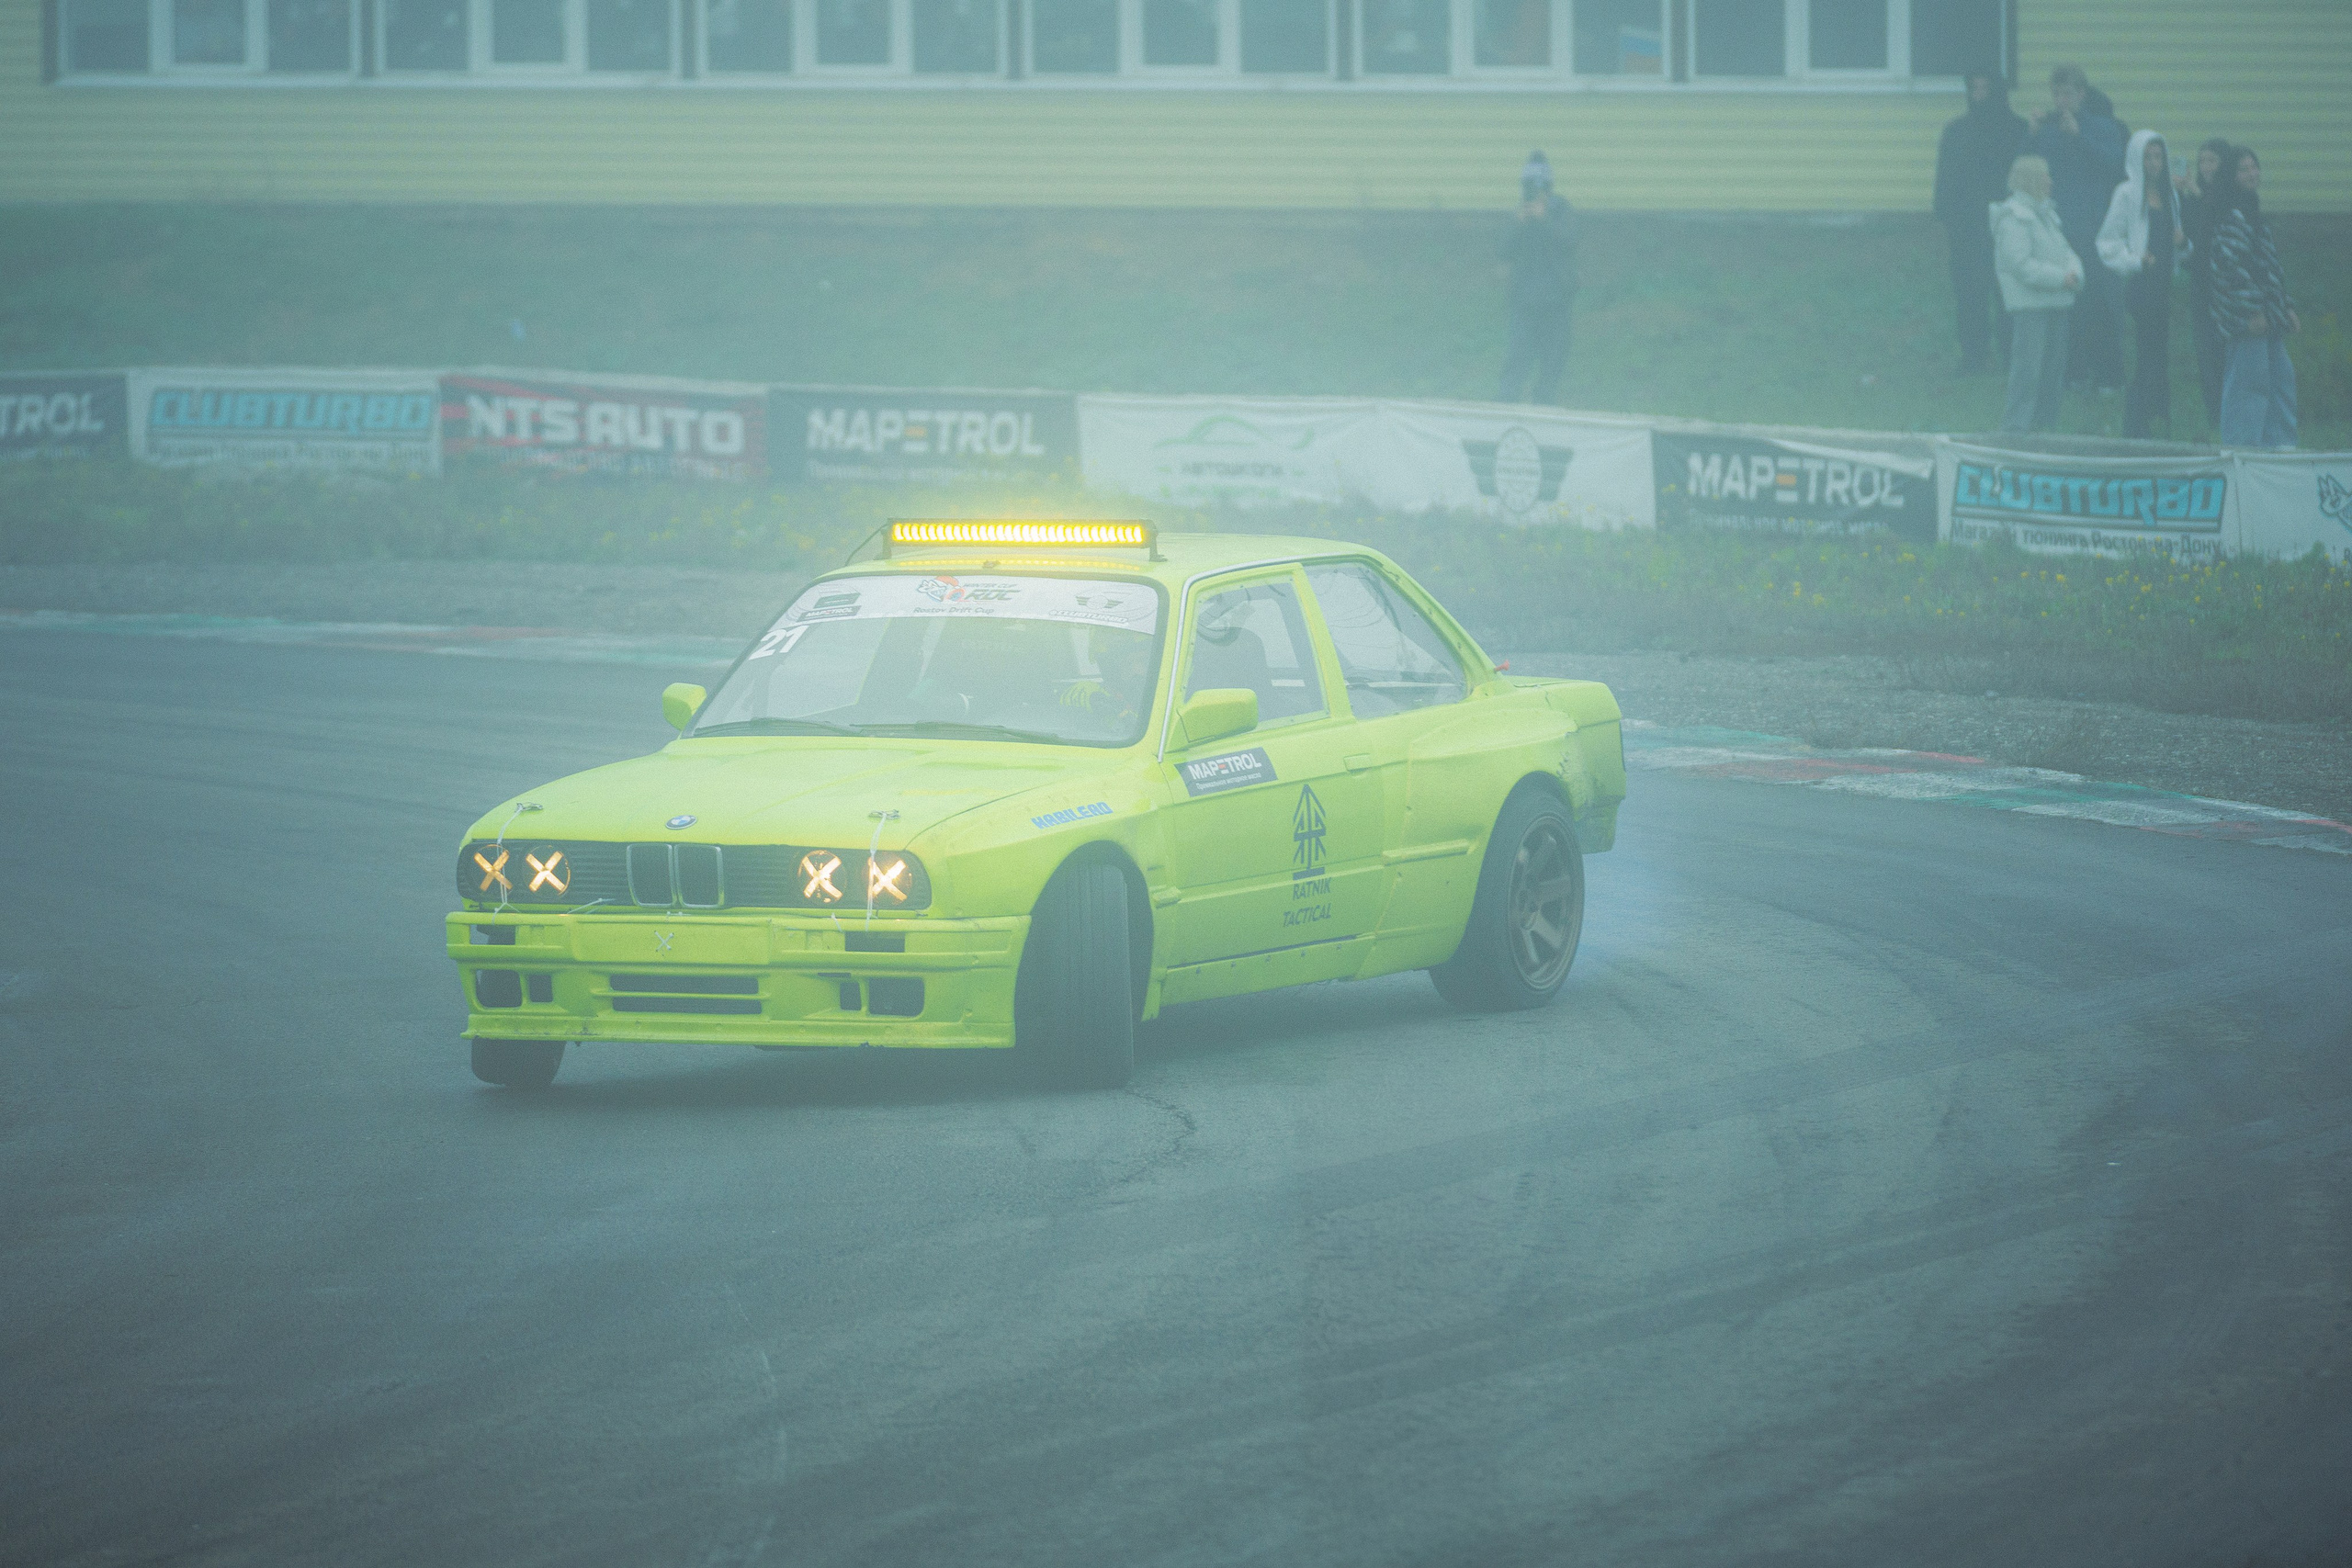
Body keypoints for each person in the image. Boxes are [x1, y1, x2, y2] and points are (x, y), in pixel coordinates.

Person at [2028, 64, 2126, 392]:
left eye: (2068, 93)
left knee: (2102, 301)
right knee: (2069, 302)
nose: (2061, 100)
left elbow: (2114, 168)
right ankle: (2074, 373)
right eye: (2056, 94)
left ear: (2082, 94)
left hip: (2096, 227)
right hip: (2061, 227)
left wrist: (2079, 138)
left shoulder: (2104, 127)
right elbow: (2025, 171)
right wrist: (2031, 136)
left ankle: (2110, 375)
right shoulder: (2048, 131)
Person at [1933, 68, 2028, 375]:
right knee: (1970, 296)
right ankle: (1973, 357)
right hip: (1967, 229)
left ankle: (2011, 358)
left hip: (2007, 226)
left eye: (1986, 89)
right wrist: (1946, 218)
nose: (1979, 95)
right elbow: (1944, 181)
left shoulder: (2018, 131)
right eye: (1974, 89)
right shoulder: (1956, 131)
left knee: (2008, 296)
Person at [2208, 146, 2300, 448]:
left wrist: (2284, 307)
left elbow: (2268, 266)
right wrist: (2251, 311)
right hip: (2246, 321)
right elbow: (2230, 267)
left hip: (2269, 318)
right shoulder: (2231, 215)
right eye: (2244, 169)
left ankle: (2280, 447)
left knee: (2280, 381)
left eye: (2254, 167)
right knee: (2247, 386)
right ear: (2232, 177)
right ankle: (2241, 450)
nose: (2252, 174)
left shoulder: (2253, 211)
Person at [2097, 130, 2187, 438]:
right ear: (2137, 158)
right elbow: (2107, 241)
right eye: (2147, 156)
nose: (2153, 162)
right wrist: (2135, 259)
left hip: (2163, 285)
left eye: (2158, 156)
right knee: (2148, 351)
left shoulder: (2169, 194)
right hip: (2141, 285)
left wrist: (2182, 243)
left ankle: (2158, 417)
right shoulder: (2126, 193)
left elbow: (2177, 244)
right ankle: (2136, 422)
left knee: (2160, 352)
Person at [1991, 155, 2081, 434]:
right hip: (2031, 307)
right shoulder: (2013, 217)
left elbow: (2065, 250)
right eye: (2045, 176)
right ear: (2030, 180)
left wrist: (2076, 273)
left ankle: (2045, 429)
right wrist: (2059, 278)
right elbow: (2021, 266)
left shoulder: (2045, 214)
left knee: (2053, 372)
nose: (2050, 182)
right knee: (2027, 372)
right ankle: (2015, 430)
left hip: (2057, 302)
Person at [1497, 151, 1577, 405]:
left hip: (1556, 304)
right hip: (1525, 304)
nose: (1533, 195)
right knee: (1516, 362)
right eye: (1528, 189)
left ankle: (1544, 411)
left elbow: (1570, 241)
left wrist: (1546, 221)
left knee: (1552, 365)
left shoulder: (1562, 210)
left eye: (1537, 189)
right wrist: (1518, 224)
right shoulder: (1520, 214)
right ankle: (1504, 410)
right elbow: (1502, 251)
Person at [2178, 137, 2236, 426]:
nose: (2205, 167)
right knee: (2204, 346)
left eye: (2211, 160)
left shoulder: (2230, 194)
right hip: (2200, 280)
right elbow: (2189, 231)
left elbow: (2217, 221)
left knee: (2224, 346)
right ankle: (2214, 411)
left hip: (2225, 283)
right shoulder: (2197, 194)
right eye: (2201, 161)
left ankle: (2230, 407)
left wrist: (2198, 195)